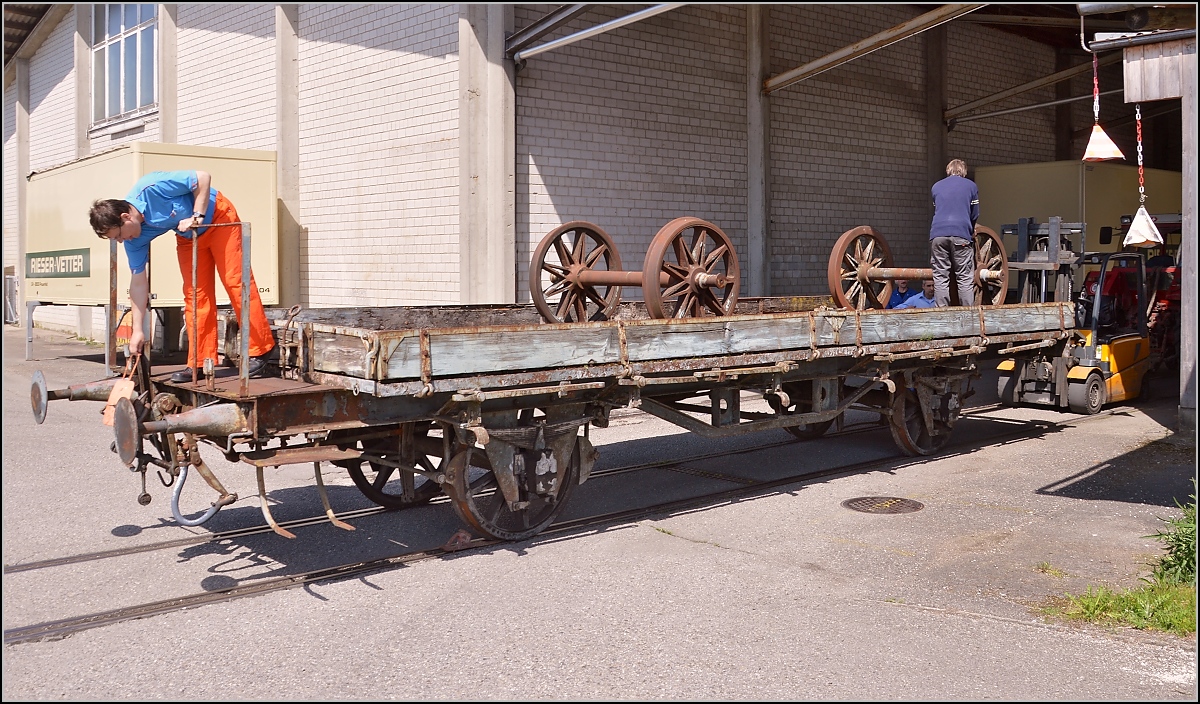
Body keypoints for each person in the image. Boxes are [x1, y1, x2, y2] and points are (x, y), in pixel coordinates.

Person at [89, 170, 275, 382]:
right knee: (195, 295)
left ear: (126, 217)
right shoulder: (134, 240)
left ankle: (260, 349)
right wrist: (138, 330)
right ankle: (200, 362)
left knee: (235, 282)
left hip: (218, 219)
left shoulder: (151, 188)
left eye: (119, 235)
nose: (122, 241)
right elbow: (138, 284)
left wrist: (197, 215)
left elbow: (202, 178)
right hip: (189, 236)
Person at [929, 158, 978, 307]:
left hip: (937, 235)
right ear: (963, 171)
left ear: (948, 170)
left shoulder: (936, 187)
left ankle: (941, 316)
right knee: (964, 277)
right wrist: (970, 230)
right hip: (961, 234)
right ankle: (968, 316)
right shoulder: (971, 186)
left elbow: (937, 209)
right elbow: (975, 213)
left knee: (940, 277)